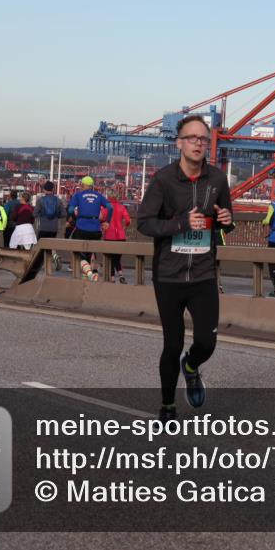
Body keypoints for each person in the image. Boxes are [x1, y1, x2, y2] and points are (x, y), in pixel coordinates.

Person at [137, 115, 234, 422]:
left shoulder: (217, 179)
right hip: (169, 276)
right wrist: (181, 223)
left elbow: (226, 220)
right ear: (179, 143)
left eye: (203, 139)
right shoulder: (163, 180)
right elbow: (144, 223)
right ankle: (167, 405)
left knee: (207, 342)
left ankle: (190, 366)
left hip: (203, 274)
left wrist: (227, 221)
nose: (198, 143)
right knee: (172, 344)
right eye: (191, 138)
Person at [67, 176, 113, 278]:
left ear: (83, 185)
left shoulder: (78, 195)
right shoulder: (99, 195)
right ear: (91, 186)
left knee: (75, 250)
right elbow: (110, 207)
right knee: (89, 253)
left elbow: (70, 210)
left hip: (81, 228)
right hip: (96, 230)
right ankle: (87, 278)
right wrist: (107, 222)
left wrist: (74, 217)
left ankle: (89, 274)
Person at [34, 181, 65, 271]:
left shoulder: (41, 200)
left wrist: (41, 215)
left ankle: (37, 266)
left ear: (44, 189)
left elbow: (34, 214)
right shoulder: (58, 200)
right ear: (53, 189)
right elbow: (64, 214)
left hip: (43, 226)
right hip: (54, 227)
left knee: (40, 247)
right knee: (51, 245)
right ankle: (55, 256)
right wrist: (56, 216)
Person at [103, 194, 131, 283]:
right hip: (120, 236)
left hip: (109, 235)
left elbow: (101, 218)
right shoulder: (122, 207)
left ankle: (112, 277)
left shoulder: (106, 207)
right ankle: (121, 275)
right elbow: (128, 220)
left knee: (111, 258)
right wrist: (124, 227)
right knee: (117, 258)